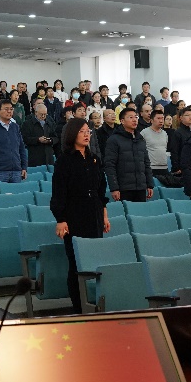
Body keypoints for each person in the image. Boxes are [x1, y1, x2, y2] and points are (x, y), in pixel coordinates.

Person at [51, 118, 111, 308]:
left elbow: (101, 190)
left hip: (94, 214)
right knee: (76, 263)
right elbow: (59, 193)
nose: (86, 135)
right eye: (82, 131)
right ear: (72, 134)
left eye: (88, 131)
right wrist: (61, 219)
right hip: (74, 216)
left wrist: (104, 215)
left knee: (95, 260)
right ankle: (78, 306)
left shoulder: (95, 159)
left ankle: (95, 302)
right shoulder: (64, 160)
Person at [103, 108, 153, 202]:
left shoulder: (140, 139)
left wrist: (150, 184)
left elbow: (146, 163)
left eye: (136, 117)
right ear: (122, 121)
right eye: (130, 117)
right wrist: (114, 188)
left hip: (140, 187)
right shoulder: (114, 140)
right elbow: (110, 165)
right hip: (124, 188)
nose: (134, 120)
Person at [22, 101, 58, 167]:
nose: (43, 116)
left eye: (45, 114)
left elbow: (56, 137)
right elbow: (25, 139)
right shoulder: (27, 124)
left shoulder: (50, 123)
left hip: (48, 156)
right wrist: (38, 139)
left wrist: (50, 140)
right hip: (35, 157)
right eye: (41, 114)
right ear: (36, 112)